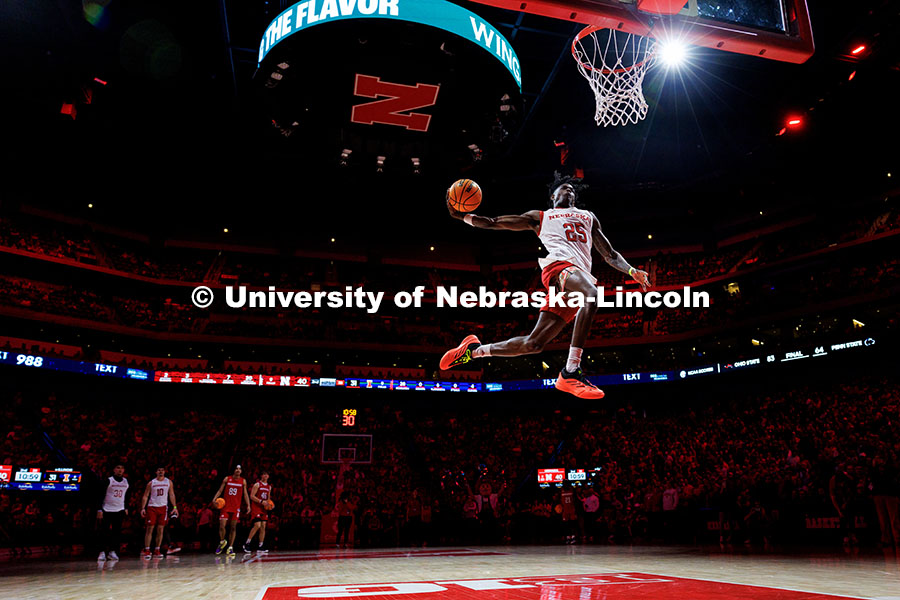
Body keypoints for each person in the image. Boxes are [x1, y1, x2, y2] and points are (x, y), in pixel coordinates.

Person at [441, 172, 650, 399]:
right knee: (592, 295)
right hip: (559, 269)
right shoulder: (541, 217)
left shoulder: (589, 217)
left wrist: (632, 271)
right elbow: (494, 223)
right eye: (564, 187)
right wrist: (463, 217)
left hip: (576, 281)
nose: (569, 189)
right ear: (553, 196)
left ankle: (474, 351)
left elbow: (609, 254)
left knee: (534, 344)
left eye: (572, 189)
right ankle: (571, 371)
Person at [212, 465, 251, 557]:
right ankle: (222, 542)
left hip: (236, 507)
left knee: (233, 527)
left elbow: (245, 494)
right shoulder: (227, 479)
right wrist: (214, 499)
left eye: (239, 469)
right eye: (236, 469)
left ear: (241, 471)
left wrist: (248, 505)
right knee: (222, 526)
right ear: (233, 470)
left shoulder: (243, 481)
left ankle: (230, 547)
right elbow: (220, 490)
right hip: (225, 506)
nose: (238, 470)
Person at [140, 467, 178, 559]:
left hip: (163, 507)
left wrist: (175, 507)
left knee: (160, 529)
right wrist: (142, 508)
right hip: (152, 507)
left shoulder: (168, 482)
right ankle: (147, 550)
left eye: (162, 470)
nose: (161, 471)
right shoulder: (151, 483)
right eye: (159, 470)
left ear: (164, 472)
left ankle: (157, 550)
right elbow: (145, 496)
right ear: (156, 472)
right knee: (150, 529)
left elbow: (171, 494)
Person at [96, 464, 129, 561]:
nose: (120, 470)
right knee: (104, 531)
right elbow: (100, 494)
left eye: (122, 468)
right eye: (118, 468)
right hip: (107, 509)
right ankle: (102, 552)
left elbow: (126, 495)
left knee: (117, 532)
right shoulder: (108, 480)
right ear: (114, 470)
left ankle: (112, 551)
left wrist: (126, 507)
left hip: (119, 509)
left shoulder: (126, 481)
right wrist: (99, 509)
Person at [243, 471, 273, 553]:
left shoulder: (269, 487)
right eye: (264, 474)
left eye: (267, 474)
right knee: (257, 525)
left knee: (263, 526)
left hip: (264, 508)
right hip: (256, 507)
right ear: (261, 476)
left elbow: (268, 499)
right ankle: (247, 543)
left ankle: (261, 545)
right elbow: (252, 496)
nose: (266, 475)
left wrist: (270, 504)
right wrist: (261, 501)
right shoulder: (257, 484)